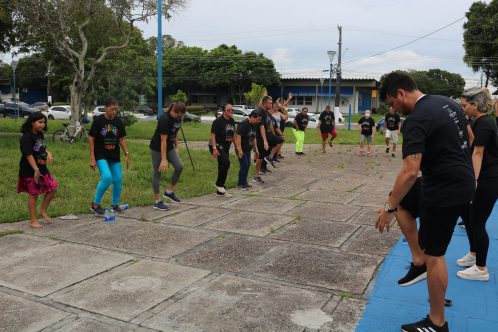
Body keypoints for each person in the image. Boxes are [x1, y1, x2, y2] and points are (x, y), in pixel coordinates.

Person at [375, 71, 474, 332]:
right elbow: (470, 139)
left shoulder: (416, 119)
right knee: (404, 201)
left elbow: (410, 171)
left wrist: (387, 208)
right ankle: (417, 261)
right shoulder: (448, 102)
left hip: (444, 190)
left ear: (401, 93)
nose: (392, 108)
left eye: (391, 102)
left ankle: (437, 322)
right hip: (461, 181)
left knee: (436, 256)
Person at [456, 87, 498, 281]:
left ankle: (481, 269)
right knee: (471, 219)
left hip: (489, 179)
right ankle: (473, 254)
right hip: (487, 177)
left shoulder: (485, 123)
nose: (463, 109)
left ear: (475, 105)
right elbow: (473, 141)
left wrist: (472, 183)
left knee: (478, 222)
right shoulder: (480, 121)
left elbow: (478, 153)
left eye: (465, 106)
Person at [17, 111, 58, 228]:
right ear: (32, 123)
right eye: (40, 122)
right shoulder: (26, 137)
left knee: (53, 188)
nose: (42, 125)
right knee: (33, 194)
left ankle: (42, 211)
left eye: (44, 122)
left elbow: (41, 148)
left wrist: (48, 153)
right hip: (30, 170)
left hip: (42, 168)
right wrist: (35, 169)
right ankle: (33, 220)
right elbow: (28, 154)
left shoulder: (40, 134)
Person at [89, 97, 129, 215]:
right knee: (107, 177)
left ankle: (115, 204)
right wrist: (92, 158)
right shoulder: (98, 121)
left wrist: (126, 153)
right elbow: (91, 138)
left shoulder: (118, 121)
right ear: (106, 108)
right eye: (112, 109)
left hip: (114, 155)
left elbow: (121, 138)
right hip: (101, 154)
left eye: (116, 109)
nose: (114, 112)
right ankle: (95, 204)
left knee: (117, 179)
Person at [149, 102, 186, 210]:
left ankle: (169, 192)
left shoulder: (178, 118)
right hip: (157, 147)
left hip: (169, 146)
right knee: (157, 172)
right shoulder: (164, 119)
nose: (180, 117)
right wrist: (164, 159)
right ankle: (157, 201)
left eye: (182, 115)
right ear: (174, 110)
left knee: (179, 167)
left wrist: (177, 147)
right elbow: (163, 141)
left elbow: (175, 133)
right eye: (179, 115)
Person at [210, 103, 236, 196]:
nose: (231, 111)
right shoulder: (218, 121)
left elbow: (233, 135)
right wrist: (214, 148)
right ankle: (219, 184)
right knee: (226, 162)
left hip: (225, 147)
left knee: (223, 165)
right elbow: (212, 135)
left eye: (232, 110)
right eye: (229, 110)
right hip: (216, 145)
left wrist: (237, 147)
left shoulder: (232, 121)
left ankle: (220, 191)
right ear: (224, 112)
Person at [235, 110, 262, 190]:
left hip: (248, 149)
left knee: (248, 165)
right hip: (241, 149)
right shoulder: (243, 124)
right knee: (244, 165)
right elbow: (238, 137)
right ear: (252, 117)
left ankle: (244, 182)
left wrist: (256, 149)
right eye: (257, 119)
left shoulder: (254, 125)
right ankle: (240, 184)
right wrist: (239, 150)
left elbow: (254, 137)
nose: (258, 121)